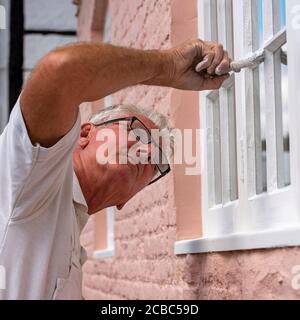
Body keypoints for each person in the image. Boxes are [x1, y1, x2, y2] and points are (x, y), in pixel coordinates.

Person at [0, 39, 230, 299]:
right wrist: (168, 66)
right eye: (139, 134)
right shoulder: (30, 175)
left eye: (156, 161)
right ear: (85, 134)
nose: (144, 153)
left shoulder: (72, 241)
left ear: (126, 200)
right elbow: (62, 70)